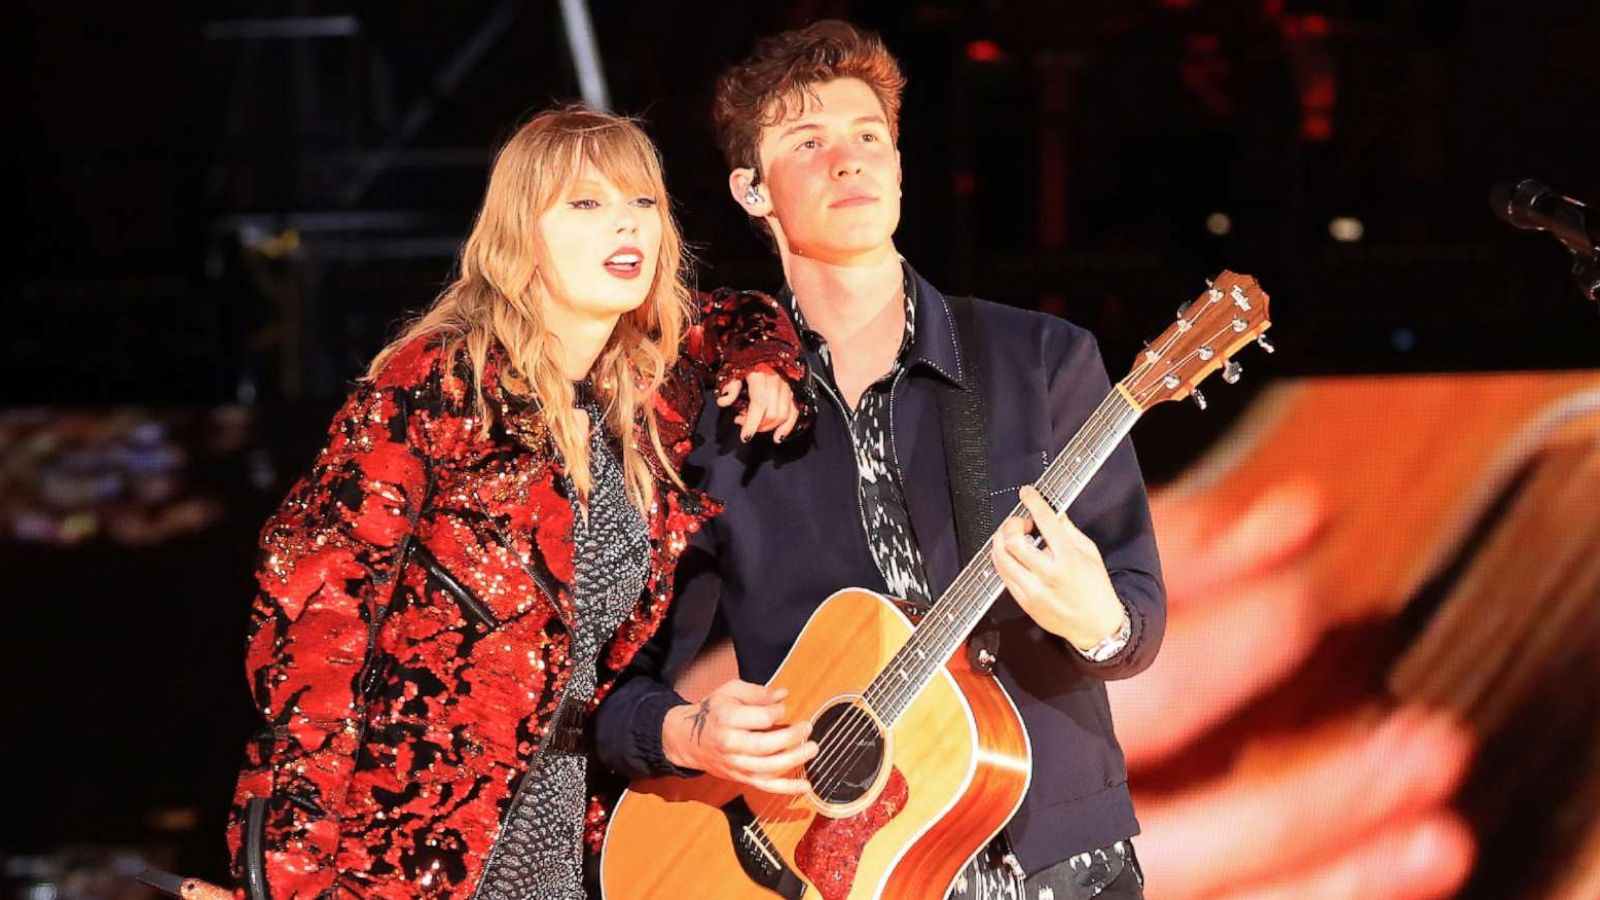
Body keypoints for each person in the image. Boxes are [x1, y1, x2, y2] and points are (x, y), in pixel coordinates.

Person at [594, 21, 1163, 900]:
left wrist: (1101, 622)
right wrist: (685, 736)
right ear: (753, 190)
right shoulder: (706, 414)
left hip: (1057, 857)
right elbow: (623, 683)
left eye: (869, 137)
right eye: (807, 143)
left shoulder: (1040, 358)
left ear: (898, 164)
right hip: (826, 870)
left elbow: (1136, 615)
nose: (849, 161)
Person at [224, 106, 805, 899]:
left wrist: (766, 361)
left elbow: (739, 313)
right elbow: (319, 608)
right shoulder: (440, 382)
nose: (625, 224)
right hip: (404, 828)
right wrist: (292, 850)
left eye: (641, 202)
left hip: (564, 822)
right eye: (586, 204)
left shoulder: (641, 396)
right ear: (520, 234)